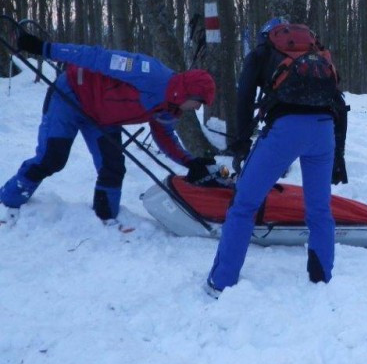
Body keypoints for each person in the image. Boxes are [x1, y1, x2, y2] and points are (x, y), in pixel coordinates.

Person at [0, 32, 216, 224]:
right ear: (189, 93)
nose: (197, 107)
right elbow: (97, 58)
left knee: (112, 167)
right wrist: (45, 49)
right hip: (71, 95)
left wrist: (190, 162)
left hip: (102, 118)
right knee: (52, 158)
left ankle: (105, 221)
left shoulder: (170, 108)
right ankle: (7, 201)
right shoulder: (150, 73)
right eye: (199, 102)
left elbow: (165, 138)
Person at [207, 16, 347, 297]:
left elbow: (244, 96)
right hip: (324, 131)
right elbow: (338, 103)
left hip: (285, 130)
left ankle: (221, 282)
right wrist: (338, 156)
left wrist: (242, 142)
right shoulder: (316, 54)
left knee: (244, 204)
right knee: (319, 210)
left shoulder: (261, 53)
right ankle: (322, 279)